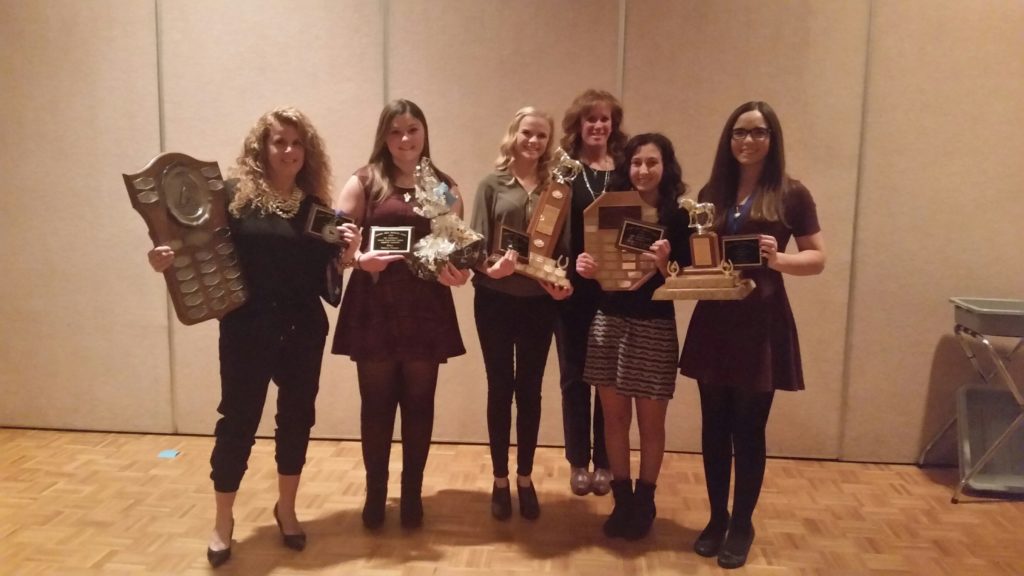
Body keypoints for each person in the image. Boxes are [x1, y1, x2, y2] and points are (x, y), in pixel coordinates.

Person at [147, 107, 359, 567]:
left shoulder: (315, 209)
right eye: (279, 141)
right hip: (247, 327)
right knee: (238, 420)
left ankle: (286, 508)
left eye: (297, 143)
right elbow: (191, 245)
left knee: (297, 418)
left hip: (304, 327)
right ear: (261, 148)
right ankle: (223, 520)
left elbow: (326, 276)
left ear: (308, 151)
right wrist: (166, 257)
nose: (289, 151)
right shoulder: (232, 200)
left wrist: (348, 253)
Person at [679, 101, 826, 569]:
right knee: (713, 426)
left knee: (749, 428)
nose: (747, 140)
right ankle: (716, 518)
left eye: (758, 132)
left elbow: (818, 258)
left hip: (760, 321)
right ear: (729, 138)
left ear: (772, 139)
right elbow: (697, 254)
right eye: (739, 132)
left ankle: (742, 523)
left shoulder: (791, 194)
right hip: (715, 317)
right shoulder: (711, 192)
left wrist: (778, 259)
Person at [332, 99, 471, 531]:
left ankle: (412, 495)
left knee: (419, 404)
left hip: (426, 308)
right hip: (374, 305)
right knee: (375, 406)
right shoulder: (364, 181)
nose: (405, 139)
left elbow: (458, 246)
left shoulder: (443, 186)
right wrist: (357, 259)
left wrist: (458, 272)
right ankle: (376, 495)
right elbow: (332, 247)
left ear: (424, 132)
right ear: (384, 136)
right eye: (395, 131)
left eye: (412, 130)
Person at [575, 133, 690, 540]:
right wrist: (586, 268)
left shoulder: (679, 216)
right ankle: (622, 499)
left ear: (666, 166)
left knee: (651, 422)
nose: (643, 170)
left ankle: (646, 500)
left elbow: (687, 282)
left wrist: (664, 265)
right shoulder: (612, 208)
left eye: (652, 162)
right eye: (637, 162)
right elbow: (599, 270)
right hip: (609, 320)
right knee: (614, 418)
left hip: (655, 325)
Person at [469, 107, 573, 521]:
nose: (534, 141)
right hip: (494, 298)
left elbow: (562, 249)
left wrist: (558, 281)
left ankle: (526, 478)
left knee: (530, 391)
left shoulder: (557, 190)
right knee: (500, 388)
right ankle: (499, 480)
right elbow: (475, 246)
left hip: (538, 304)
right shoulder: (491, 184)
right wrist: (490, 267)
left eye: (542, 137)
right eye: (527, 133)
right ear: (514, 134)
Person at [555, 89, 628, 497]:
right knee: (573, 377)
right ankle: (578, 461)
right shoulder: (564, 171)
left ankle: (606, 461)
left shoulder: (624, 170)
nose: (598, 126)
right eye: (590, 119)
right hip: (573, 288)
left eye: (605, 119)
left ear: (613, 124)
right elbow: (549, 229)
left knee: (609, 379)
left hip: (615, 289)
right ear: (578, 125)